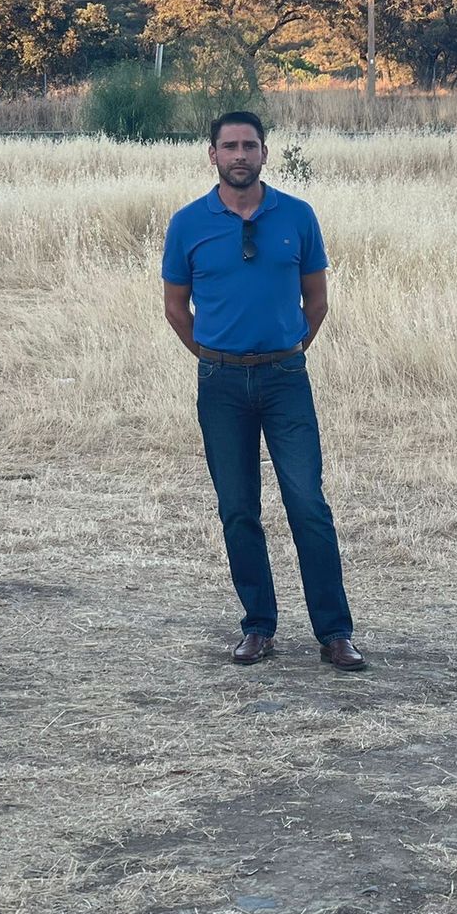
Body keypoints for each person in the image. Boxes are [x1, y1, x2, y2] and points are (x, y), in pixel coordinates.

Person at [161, 113, 364, 671]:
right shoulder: (187, 225)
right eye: (230, 146)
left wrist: (289, 349)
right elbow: (176, 307)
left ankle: (335, 633)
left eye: (250, 145)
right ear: (213, 155)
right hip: (220, 384)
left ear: (266, 153)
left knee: (308, 504)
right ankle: (258, 626)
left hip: (285, 380)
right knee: (238, 510)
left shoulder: (297, 217)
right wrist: (211, 356)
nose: (240, 155)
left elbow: (316, 301)